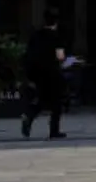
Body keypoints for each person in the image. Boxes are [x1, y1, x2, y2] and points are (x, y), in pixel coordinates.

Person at [22, 8, 67, 140]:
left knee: (43, 99)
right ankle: (54, 130)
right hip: (52, 72)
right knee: (57, 103)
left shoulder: (36, 35)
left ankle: (29, 116)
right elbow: (60, 57)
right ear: (56, 22)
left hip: (38, 73)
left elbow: (28, 54)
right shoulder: (56, 37)